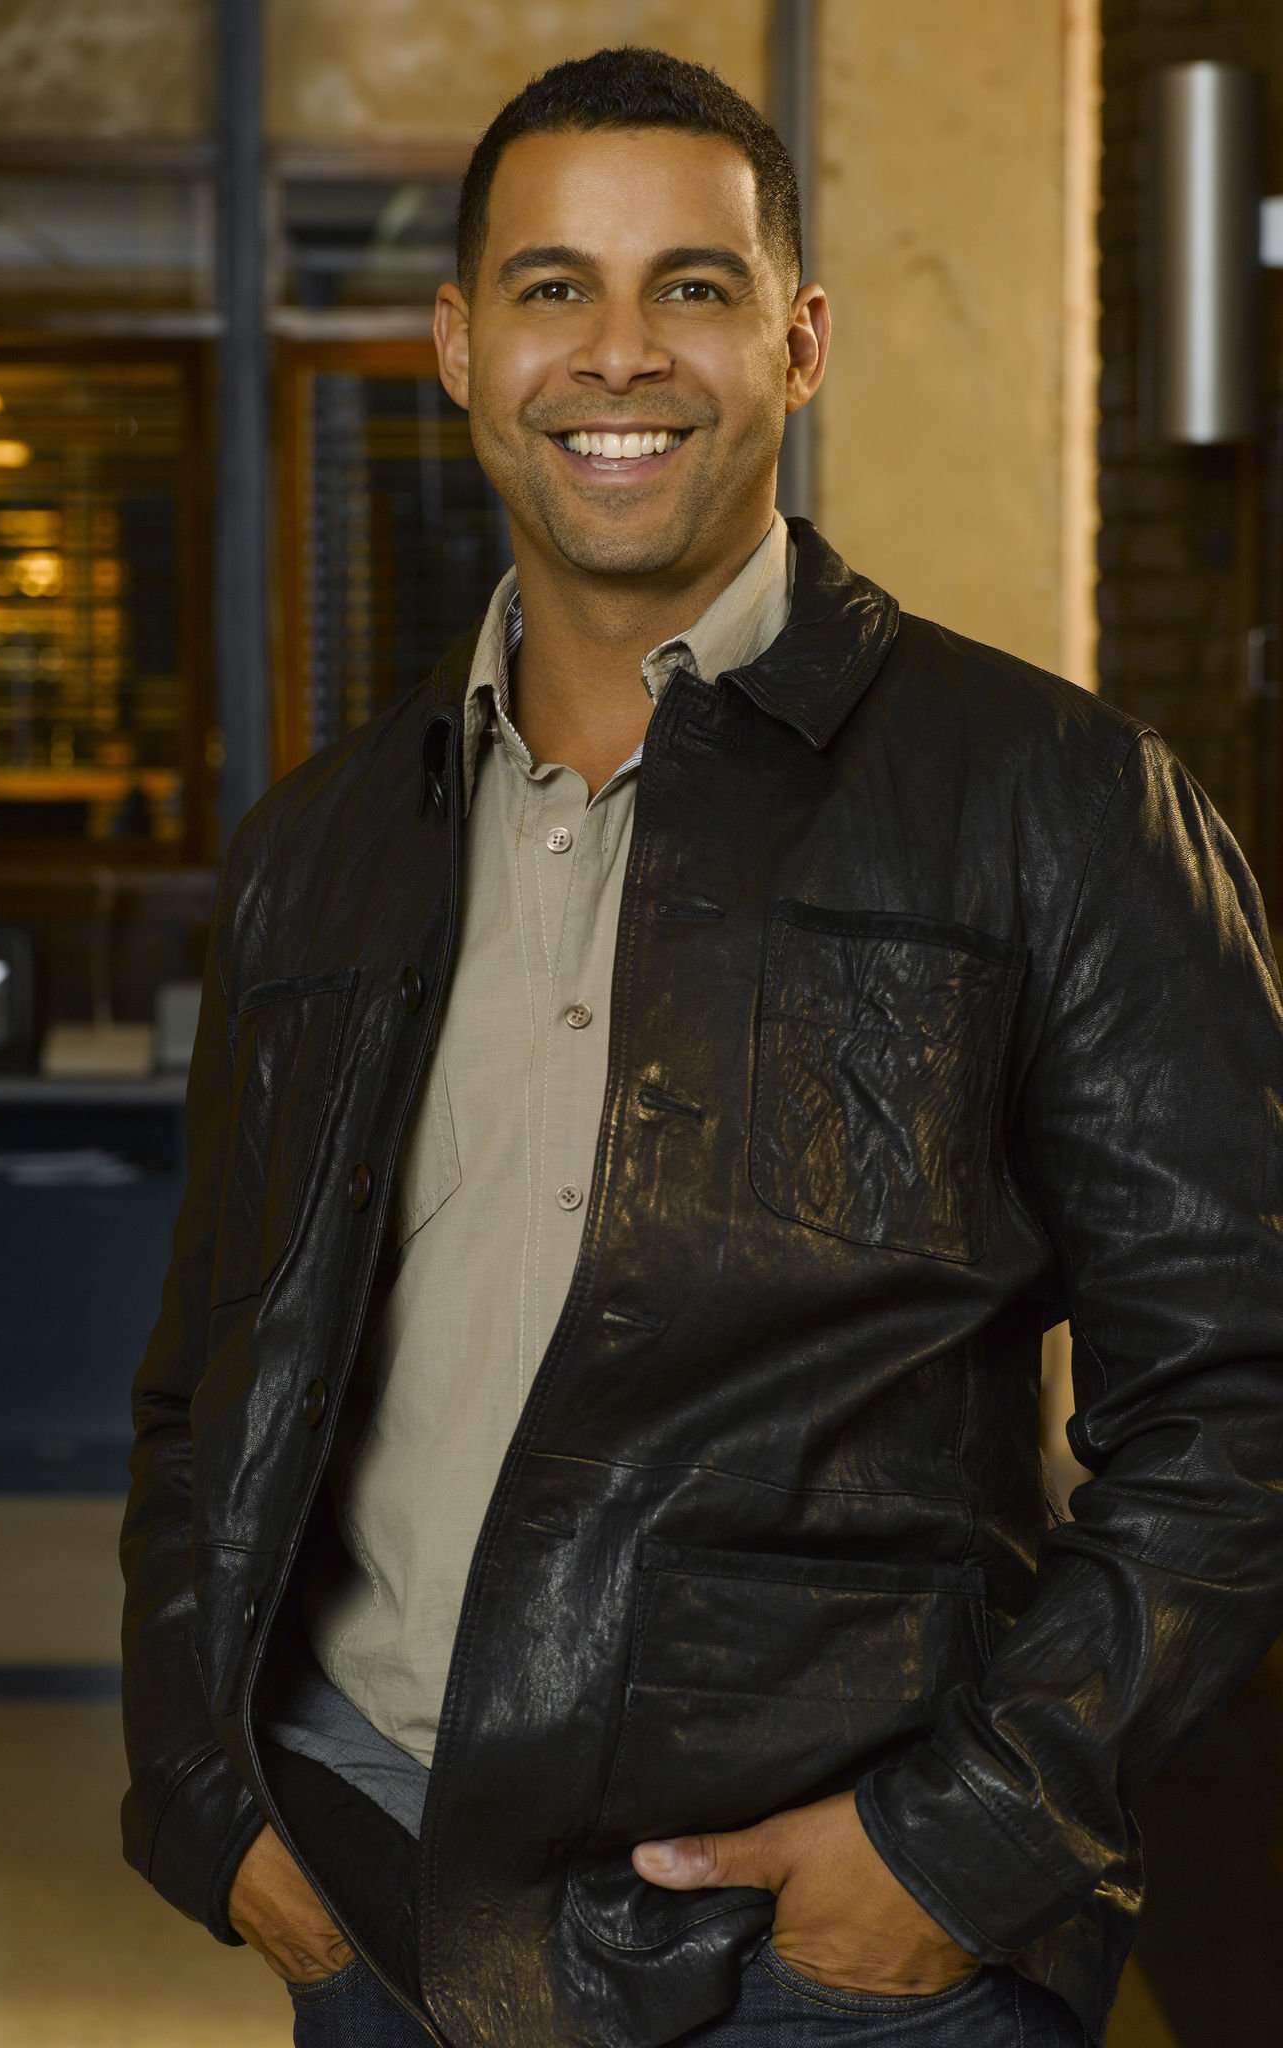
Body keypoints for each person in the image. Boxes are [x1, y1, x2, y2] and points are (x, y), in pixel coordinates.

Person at [119, 47, 1283, 2048]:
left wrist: (970, 1840)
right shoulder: (317, 849)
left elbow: (1244, 1389)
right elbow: (199, 1387)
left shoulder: (1060, 800)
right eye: (553, 287)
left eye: (694, 285)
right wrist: (206, 1791)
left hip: (834, 1946)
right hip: (374, 1885)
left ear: (798, 342)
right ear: (461, 346)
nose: (620, 353)